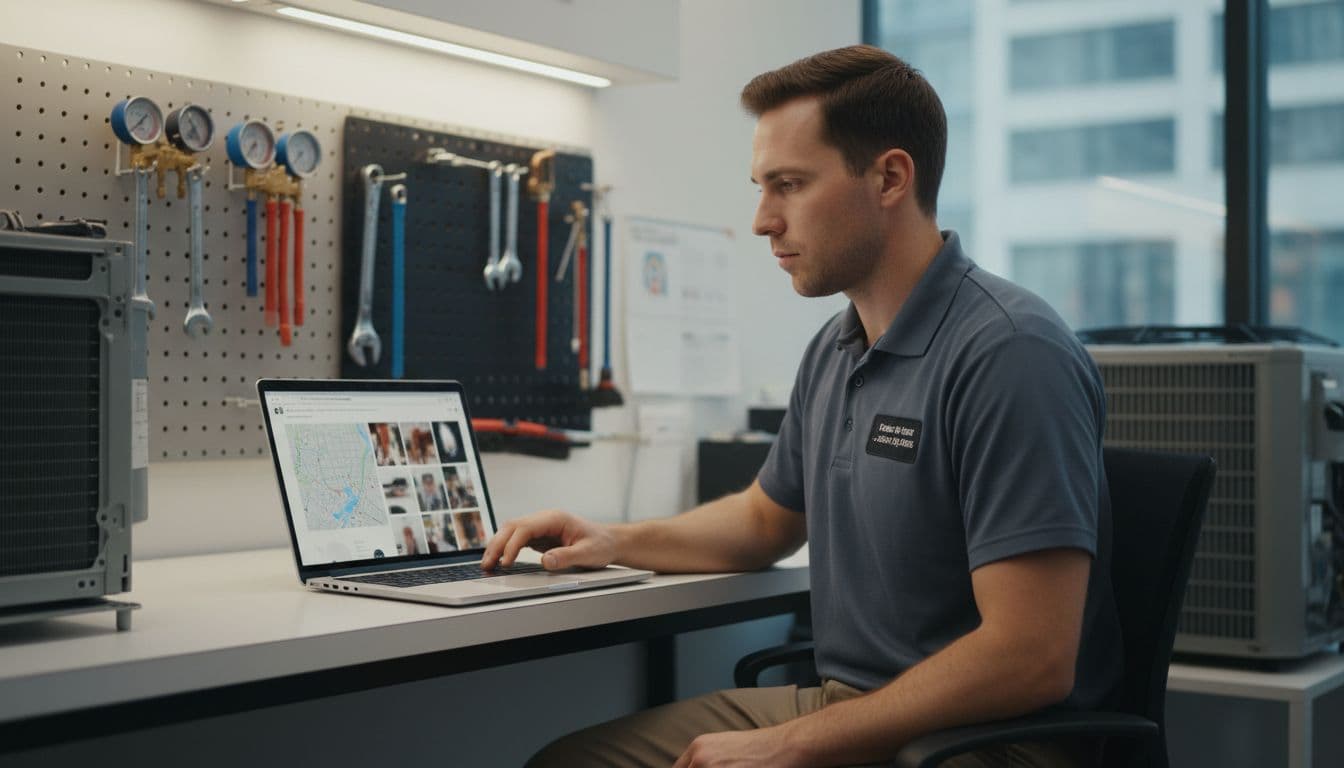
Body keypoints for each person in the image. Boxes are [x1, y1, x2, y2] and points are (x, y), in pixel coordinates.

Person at [483, 44, 1122, 768]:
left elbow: (1031, 657)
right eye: (762, 187)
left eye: (788, 185)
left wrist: (792, 743)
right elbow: (763, 521)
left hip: (990, 743)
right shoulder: (837, 347)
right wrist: (612, 540)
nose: (762, 220)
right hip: (853, 704)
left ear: (889, 177)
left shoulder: (1010, 353)